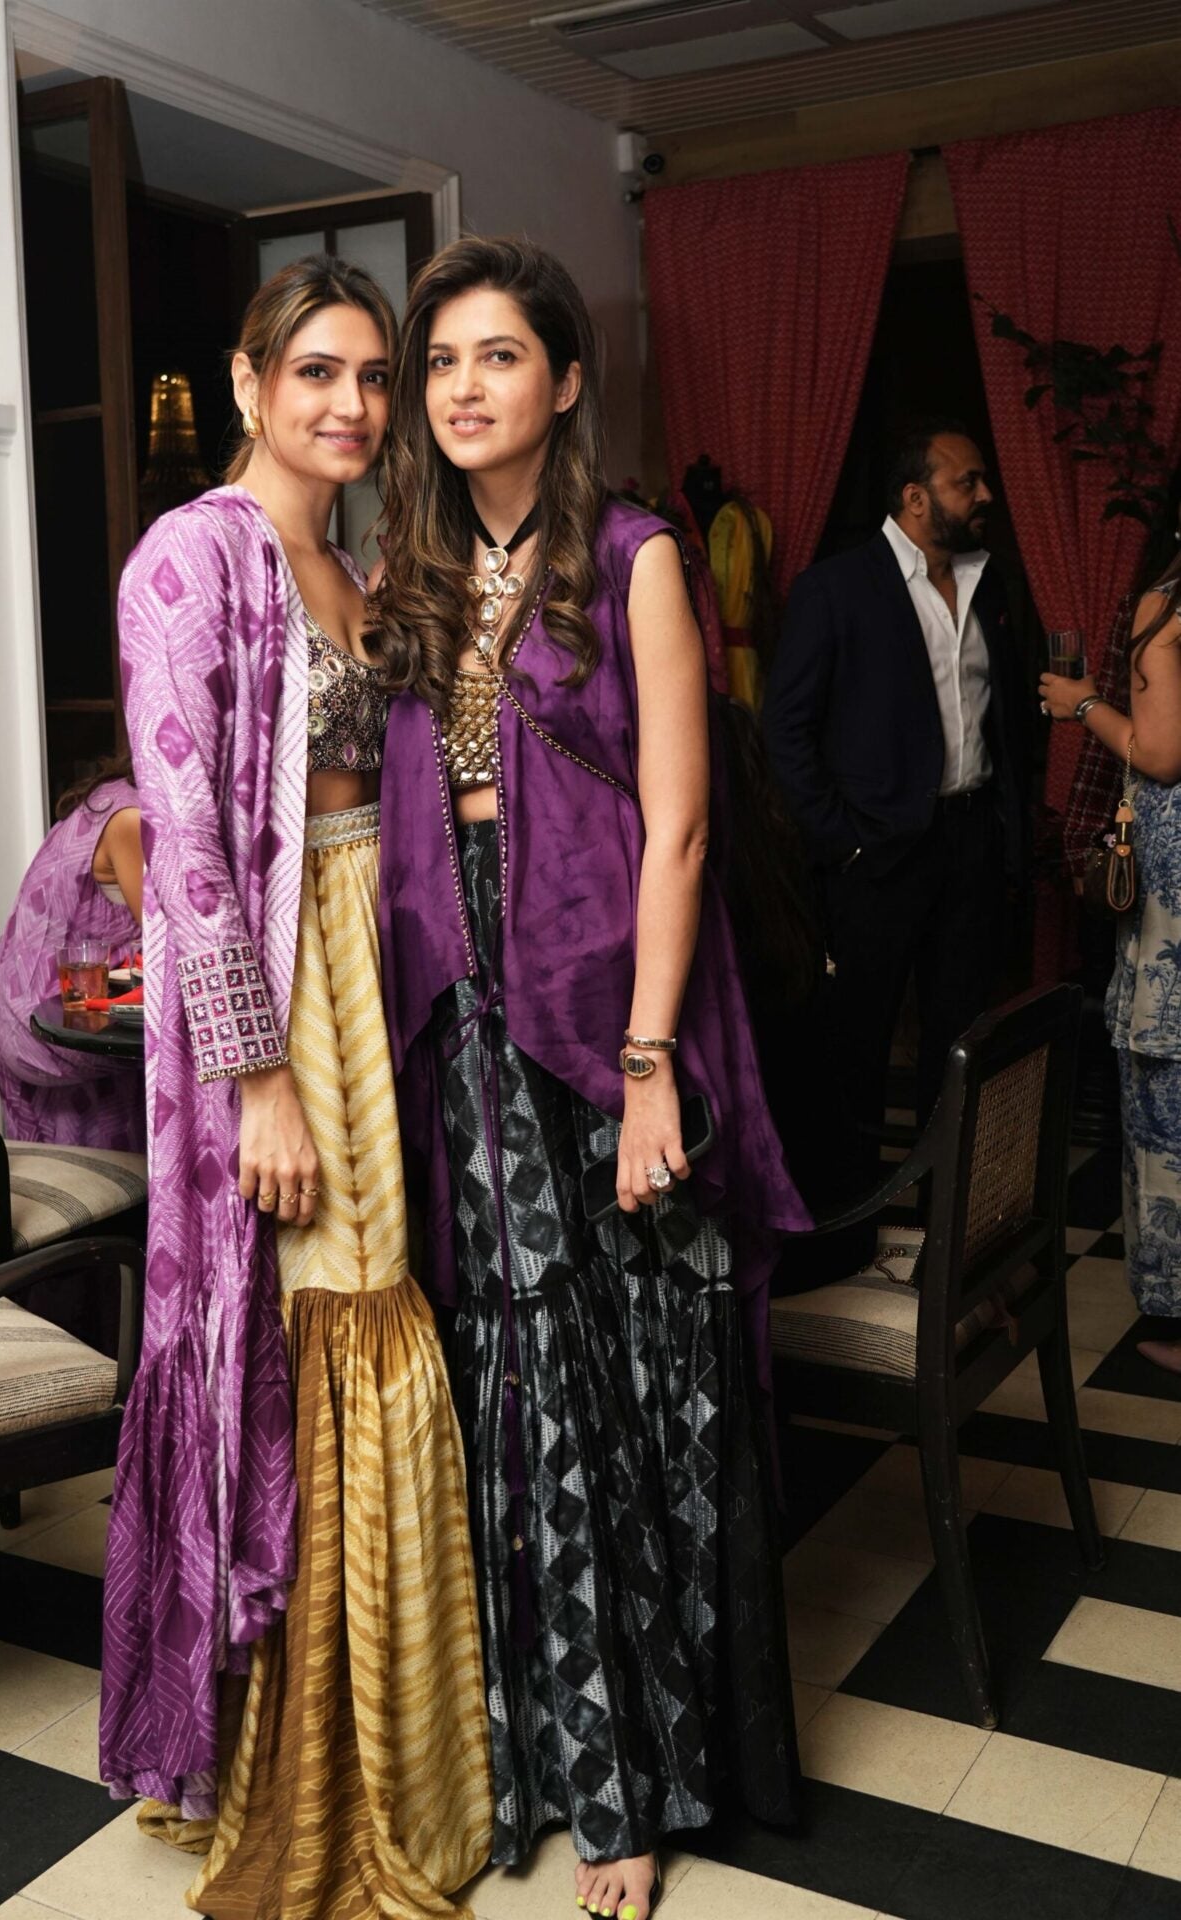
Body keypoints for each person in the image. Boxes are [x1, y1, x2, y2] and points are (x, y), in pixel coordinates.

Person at [372, 236, 805, 1920]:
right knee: (520, 1368)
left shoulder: (630, 557)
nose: (462, 386)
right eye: (440, 360)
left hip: (609, 1003)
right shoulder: (416, 575)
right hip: (465, 1014)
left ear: (562, 382)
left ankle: (633, 1777)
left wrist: (646, 1065)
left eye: (497, 355)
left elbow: (679, 827)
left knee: (630, 1372)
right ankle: (538, 1751)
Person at [98, 257, 492, 1920]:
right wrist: (255, 1079)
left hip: (372, 957)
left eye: (372, 377)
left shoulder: (363, 563)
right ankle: (304, 1776)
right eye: (316, 371)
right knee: (320, 1323)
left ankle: (410, 1748)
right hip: (274, 995)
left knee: (388, 1308)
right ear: (248, 383)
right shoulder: (191, 556)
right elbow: (187, 844)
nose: (350, 404)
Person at [764, 420, 1030, 1187]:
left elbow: (1004, 720)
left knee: (960, 1047)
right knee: (856, 1047)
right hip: (874, 856)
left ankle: (947, 1218)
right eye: (966, 482)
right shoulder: (835, 589)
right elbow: (785, 732)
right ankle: (851, 1220)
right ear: (916, 498)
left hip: (970, 844)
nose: (985, 495)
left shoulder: (987, 583)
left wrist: (1009, 835)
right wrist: (841, 841)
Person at [1041, 515, 1181, 1375]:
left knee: (1166, 1080)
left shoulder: (1167, 606)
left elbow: (1160, 754)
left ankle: (1178, 1315)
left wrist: (1084, 703)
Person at [0, 755, 144, 1151]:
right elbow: (175, 937)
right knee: (210, 1045)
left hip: (30, 1004)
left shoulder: (115, 795)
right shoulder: (129, 818)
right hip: (45, 1018)